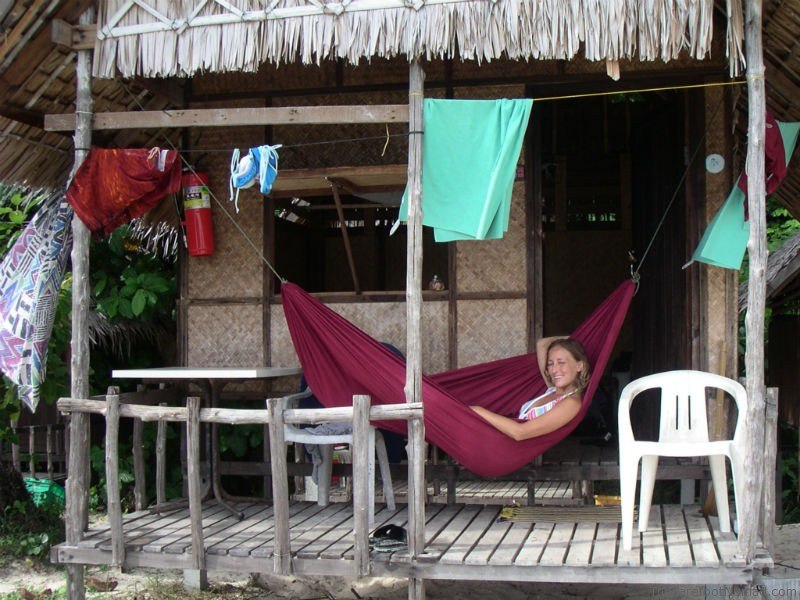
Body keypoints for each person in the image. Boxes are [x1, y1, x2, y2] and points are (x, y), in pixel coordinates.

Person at [470, 336, 590, 441]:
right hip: (496, 439)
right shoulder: (553, 388)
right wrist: (582, 336)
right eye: (550, 363)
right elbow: (542, 344)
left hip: (506, 450)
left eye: (561, 362)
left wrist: (478, 411)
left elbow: (520, 433)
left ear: (579, 366)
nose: (554, 370)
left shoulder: (571, 403)